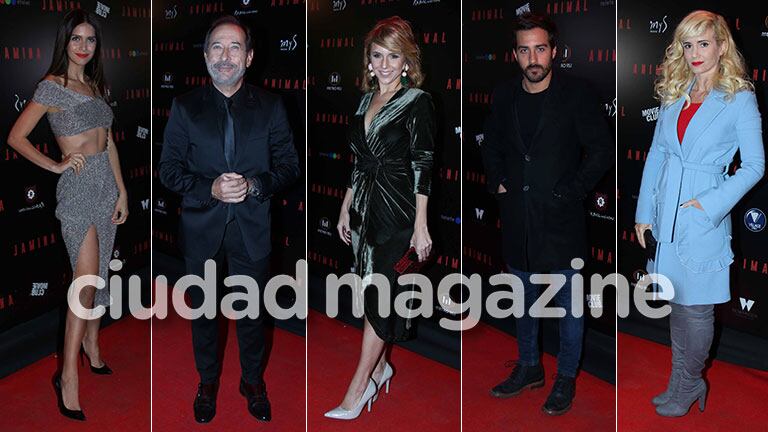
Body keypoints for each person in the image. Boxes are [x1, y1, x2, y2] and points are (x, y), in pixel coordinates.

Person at [158, 15, 300, 423]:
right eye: (217, 47)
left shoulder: (272, 106)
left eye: (235, 47)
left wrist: (255, 185)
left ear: (250, 57)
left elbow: (290, 166)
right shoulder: (184, 107)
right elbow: (168, 170)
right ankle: (208, 382)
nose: (225, 55)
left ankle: (252, 381)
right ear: (205, 56)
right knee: (204, 314)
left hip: (252, 230)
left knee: (254, 313)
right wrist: (211, 189)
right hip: (201, 229)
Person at [480, 13, 613, 415]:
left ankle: (566, 376)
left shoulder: (577, 93)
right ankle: (529, 367)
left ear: (554, 51)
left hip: (561, 221)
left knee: (570, 308)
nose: (533, 57)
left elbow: (602, 151)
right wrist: (498, 181)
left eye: (540, 48)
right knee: (522, 300)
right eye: (525, 50)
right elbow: (491, 144)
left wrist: (571, 192)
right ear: (515, 53)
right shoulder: (504, 95)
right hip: (518, 219)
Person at [634, 10, 764, 417]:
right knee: (676, 303)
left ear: (722, 46)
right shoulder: (676, 91)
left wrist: (709, 204)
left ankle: (690, 384)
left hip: (702, 212)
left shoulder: (739, 98)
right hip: (665, 211)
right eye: (688, 44)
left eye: (703, 43)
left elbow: (756, 166)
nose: (694, 53)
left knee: (697, 308)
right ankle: (679, 382)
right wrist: (643, 212)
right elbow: (656, 153)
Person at [7, 9, 128, 422]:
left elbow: (108, 142)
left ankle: (93, 348)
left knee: (97, 280)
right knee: (86, 281)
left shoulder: (95, 86)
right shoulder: (52, 87)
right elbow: (16, 137)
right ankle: (68, 376)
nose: (83, 47)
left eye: (90, 40)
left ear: (97, 46)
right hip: (77, 188)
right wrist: (55, 165)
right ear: (65, 43)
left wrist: (123, 191)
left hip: (106, 186)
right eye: (76, 39)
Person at [326, 16, 435, 420]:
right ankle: (382, 367)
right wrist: (345, 203)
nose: (386, 64)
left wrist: (421, 224)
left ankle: (358, 388)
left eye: (394, 56)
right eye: (378, 55)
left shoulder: (417, 102)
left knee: (379, 294)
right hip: (364, 212)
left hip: (400, 214)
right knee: (373, 293)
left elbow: (423, 163)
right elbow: (359, 161)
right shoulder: (362, 101)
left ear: (407, 61)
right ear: (368, 61)